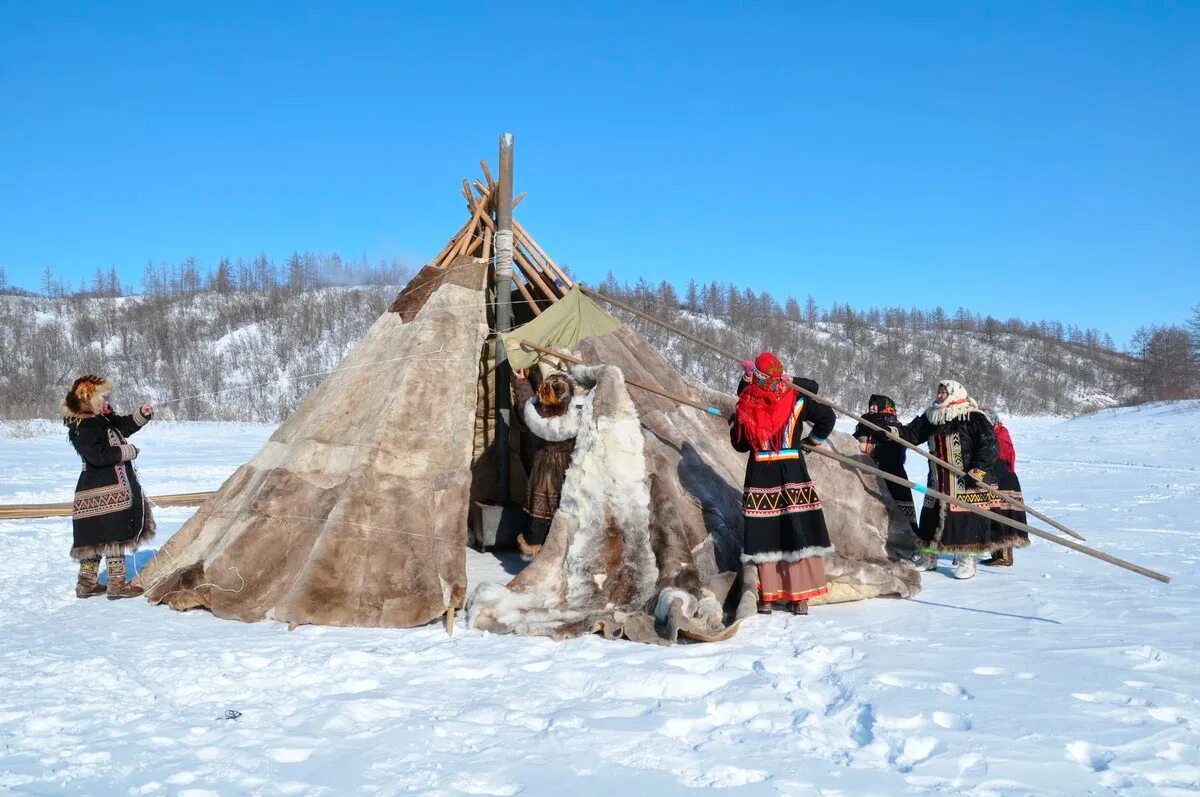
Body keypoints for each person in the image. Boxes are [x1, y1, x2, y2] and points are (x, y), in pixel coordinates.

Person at [729, 352, 835, 615]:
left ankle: (767, 595)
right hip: (792, 471)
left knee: (765, 533)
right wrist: (812, 441)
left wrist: (735, 425)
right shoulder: (796, 396)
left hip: (761, 475)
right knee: (796, 529)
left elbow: (740, 445)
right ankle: (800, 598)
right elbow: (828, 418)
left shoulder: (748, 402)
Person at [895, 380, 1024, 579]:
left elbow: (989, 446)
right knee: (930, 519)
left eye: (944, 393)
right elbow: (911, 434)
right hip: (938, 479)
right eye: (938, 392)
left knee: (966, 523)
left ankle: (967, 561)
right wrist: (893, 431)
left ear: (954, 394)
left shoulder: (972, 417)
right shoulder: (932, 417)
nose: (939, 396)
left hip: (967, 480)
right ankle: (928, 558)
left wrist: (978, 470)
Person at [62, 375, 155, 599]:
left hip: (104, 487)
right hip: (104, 488)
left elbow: (122, 426)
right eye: (102, 397)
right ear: (89, 399)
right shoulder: (83, 425)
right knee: (113, 535)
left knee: (95, 537)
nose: (106, 401)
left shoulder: (100, 419)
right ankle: (117, 584)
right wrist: (127, 451)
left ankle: (87, 585)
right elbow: (97, 455)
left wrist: (141, 415)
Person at [512, 367, 584, 560]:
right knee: (568, 507)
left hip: (544, 468)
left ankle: (538, 554)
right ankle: (567, 554)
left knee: (541, 509)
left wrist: (521, 382)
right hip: (571, 465)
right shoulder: (579, 416)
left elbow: (524, 406)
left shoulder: (537, 415)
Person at [853, 394, 918, 534]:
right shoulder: (864, 424)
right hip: (866, 474)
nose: (871, 407)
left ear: (885, 406)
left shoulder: (894, 426)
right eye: (870, 404)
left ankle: (908, 543)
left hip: (891, 474)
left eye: (875, 404)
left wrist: (872, 450)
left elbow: (895, 452)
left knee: (897, 515)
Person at [980, 409, 1028, 567]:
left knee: (1005, 516)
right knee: (993, 516)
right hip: (993, 480)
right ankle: (996, 553)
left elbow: (1000, 457)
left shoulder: (1000, 434)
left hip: (1005, 481)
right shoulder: (987, 435)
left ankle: (1006, 556)